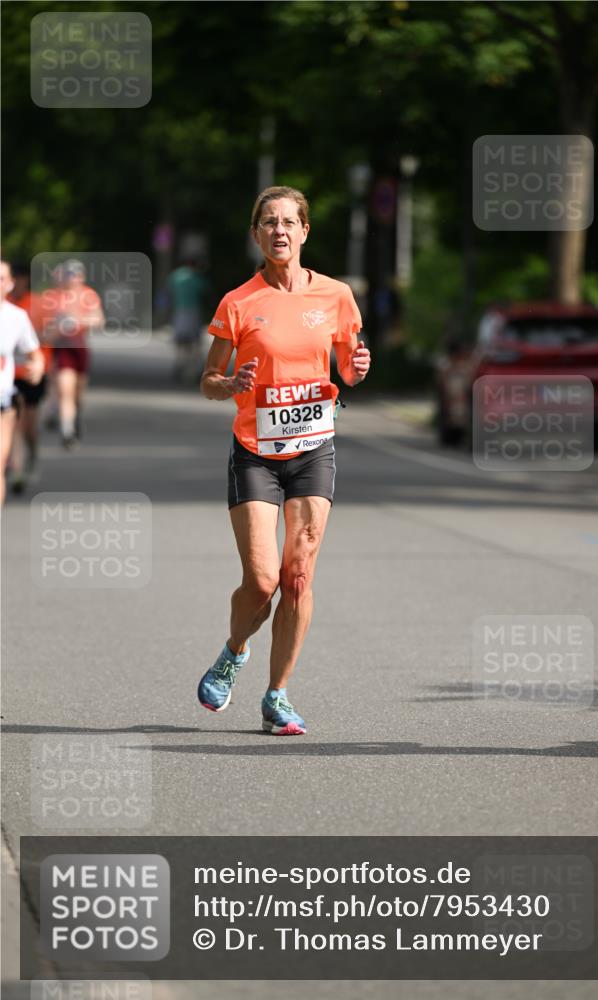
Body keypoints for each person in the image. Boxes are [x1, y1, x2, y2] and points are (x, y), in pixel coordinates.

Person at [196, 185, 371, 735]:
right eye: (268, 222)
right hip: (255, 454)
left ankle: (278, 695)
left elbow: (347, 368)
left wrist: (358, 369)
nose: (279, 230)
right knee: (264, 579)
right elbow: (208, 381)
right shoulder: (238, 302)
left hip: (314, 448)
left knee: (297, 577)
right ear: (256, 234)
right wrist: (231, 383)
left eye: (289, 222)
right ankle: (234, 650)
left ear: (304, 231)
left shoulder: (337, 296)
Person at [41, 259, 104, 448]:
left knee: (78, 393)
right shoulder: (54, 296)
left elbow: (99, 320)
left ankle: (75, 417)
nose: (73, 278)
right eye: (69, 274)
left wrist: (79, 320)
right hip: (62, 349)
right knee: (64, 389)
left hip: (81, 349)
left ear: (82, 277)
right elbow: (44, 331)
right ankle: (67, 431)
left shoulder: (88, 295)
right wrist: (57, 328)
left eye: (76, 275)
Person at [0, 261, 44, 505]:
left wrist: (36, 367)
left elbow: (34, 353)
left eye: (0, 278)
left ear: (9, 284)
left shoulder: (16, 317)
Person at [8, 263, 50, 491]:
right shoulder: (5, 307)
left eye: (22, 279)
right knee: (14, 423)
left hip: (32, 373)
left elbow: (49, 335)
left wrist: (29, 337)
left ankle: (32, 455)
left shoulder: (38, 304)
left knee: (29, 427)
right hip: (9, 376)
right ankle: (16, 471)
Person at [168, 257, 211, 382]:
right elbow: (207, 294)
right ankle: (195, 370)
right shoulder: (197, 277)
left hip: (179, 311)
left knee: (181, 342)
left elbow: (169, 293)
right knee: (195, 343)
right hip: (193, 312)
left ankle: (179, 364)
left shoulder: (175, 276)